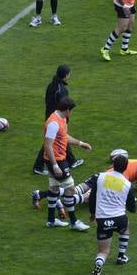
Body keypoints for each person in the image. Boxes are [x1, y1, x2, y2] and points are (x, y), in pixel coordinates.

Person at [85, 153, 137, 275]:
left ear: (113, 165)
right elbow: (133, 208)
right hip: (119, 218)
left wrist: (92, 214)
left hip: (102, 220)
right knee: (126, 228)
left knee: (103, 251)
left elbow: (92, 197)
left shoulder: (101, 177)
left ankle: (99, 263)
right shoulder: (127, 184)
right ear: (125, 168)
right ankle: (121, 256)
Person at [41, 97, 92, 231]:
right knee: (70, 189)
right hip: (57, 160)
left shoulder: (61, 119)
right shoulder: (53, 123)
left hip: (57, 159)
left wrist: (81, 144)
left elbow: (64, 136)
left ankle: (51, 220)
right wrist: (55, 166)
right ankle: (74, 222)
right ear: (68, 109)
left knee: (54, 189)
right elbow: (48, 146)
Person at [32, 65, 81, 175]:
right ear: (65, 75)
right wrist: (64, 118)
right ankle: (38, 166)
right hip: (56, 118)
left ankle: (72, 160)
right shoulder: (62, 90)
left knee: (59, 138)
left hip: (50, 115)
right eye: (69, 74)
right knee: (51, 142)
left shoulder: (51, 85)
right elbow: (65, 105)